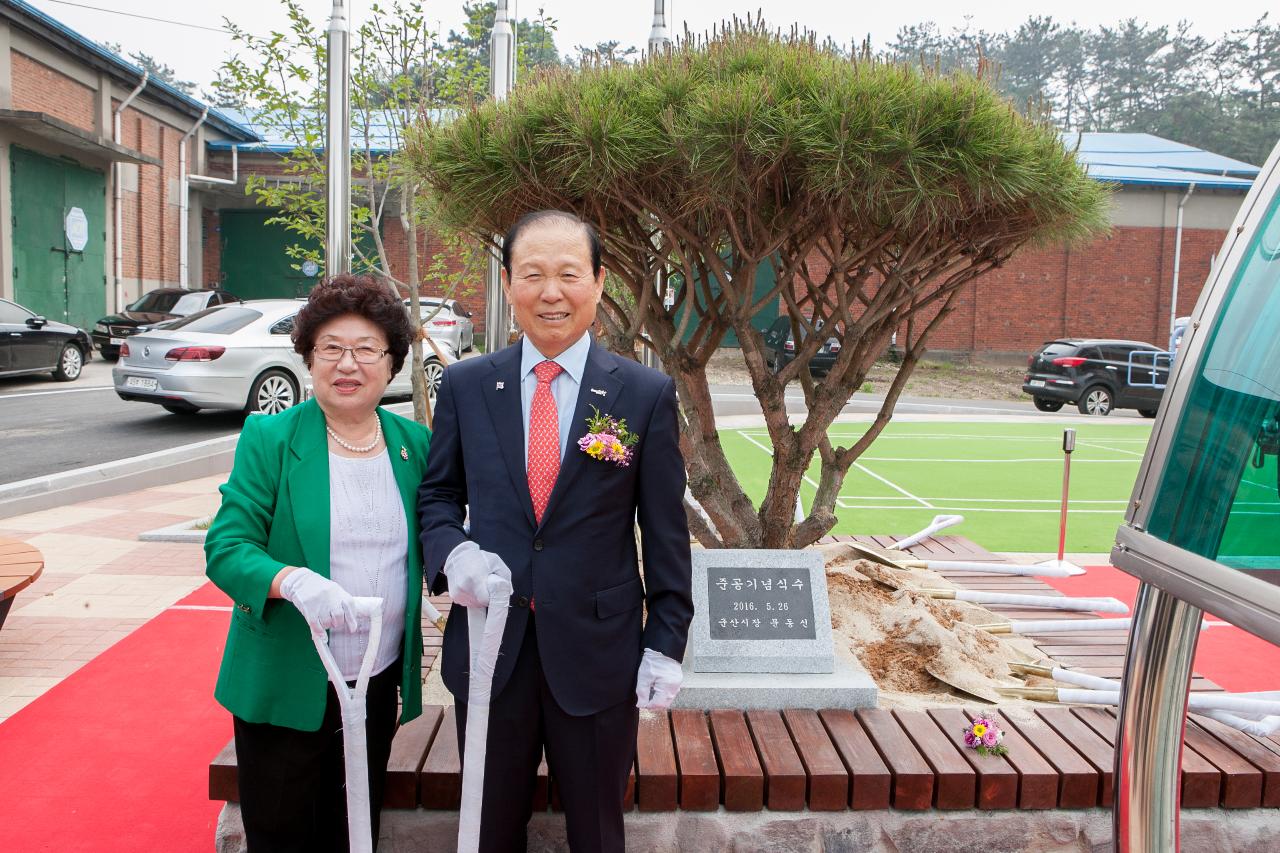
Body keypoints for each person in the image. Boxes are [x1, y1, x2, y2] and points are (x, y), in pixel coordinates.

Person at [418, 210, 694, 852]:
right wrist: (451, 550)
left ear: (598, 283)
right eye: (533, 274)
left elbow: (664, 530)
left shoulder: (643, 394)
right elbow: (437, 495)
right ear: (509, 283)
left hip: (600, 652)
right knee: (487, 828)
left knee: (598, 830)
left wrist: (666, 640)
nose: (551, 292)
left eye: (569, 274)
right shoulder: (464, 384)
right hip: (491, 648)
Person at [205, 274, 431, 852]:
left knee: (354, 829)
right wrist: (292, 581)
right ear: (308, 358)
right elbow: (227, 548)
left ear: (391, 363)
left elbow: (440, 533)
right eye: (331, 348)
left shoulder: (415, 444)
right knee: (283, 834)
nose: (347, 364)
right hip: (285, 680)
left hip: (374, 677)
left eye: (365, 350)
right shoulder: (272, 437)